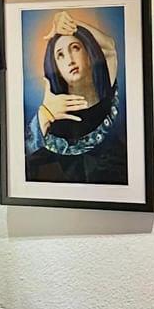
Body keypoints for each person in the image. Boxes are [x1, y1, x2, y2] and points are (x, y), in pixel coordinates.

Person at [25, 11, 127, 185]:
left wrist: (71, 24)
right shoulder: (52, 115)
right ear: (54, 65)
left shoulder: (105, 87)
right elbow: (20, 156)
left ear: (89, 54)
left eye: (75, 48)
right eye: (60, 55)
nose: (70, 59)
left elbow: (109, 46)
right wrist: (45, 115)